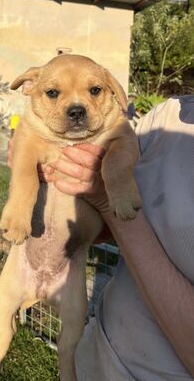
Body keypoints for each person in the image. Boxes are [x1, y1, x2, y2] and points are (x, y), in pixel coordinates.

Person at [42, 96, 194, 380]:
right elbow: (111, 223)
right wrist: (55, 179)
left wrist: (106, 200)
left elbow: (116, 208)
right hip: (96, 352)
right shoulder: (168, 114)